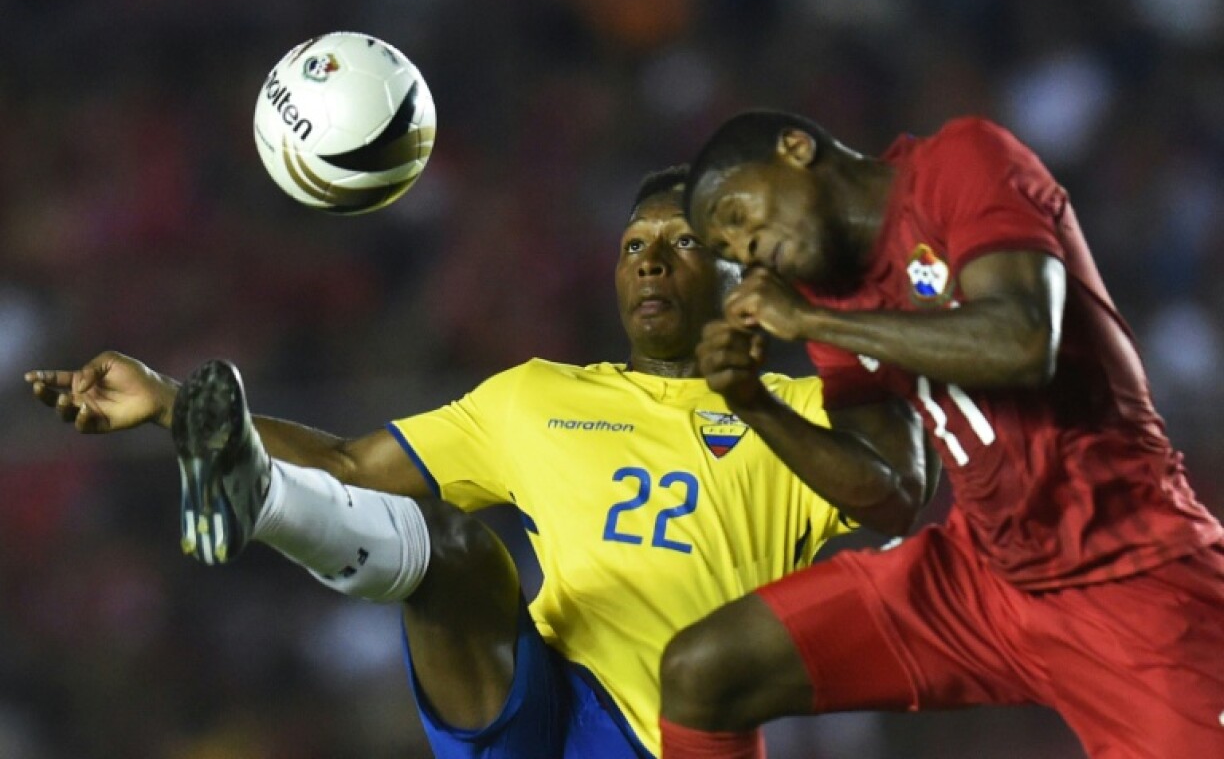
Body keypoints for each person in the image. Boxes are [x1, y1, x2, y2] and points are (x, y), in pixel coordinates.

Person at [26, 166, 924, 759]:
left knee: (450, 545)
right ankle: (254, 493)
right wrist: (170, 400)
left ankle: (257, 490)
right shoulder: (534, 395)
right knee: (451, 546)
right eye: (633, 246)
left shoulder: (800, 410)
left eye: (682, 242)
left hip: (677, 734)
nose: (650, 262)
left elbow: (897, 494)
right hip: (533, 704)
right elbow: (348, 463)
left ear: (741, 274)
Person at [655, 112, 1224, 759]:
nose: (745, 247)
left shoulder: (960, 162)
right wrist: (755, 404)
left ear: (795, 148)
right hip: (982, 579)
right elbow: (892, 493)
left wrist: (813, 321)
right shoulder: (826, 293)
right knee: (705, 671)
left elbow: (1022, 340)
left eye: (737, 215)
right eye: (730, 250)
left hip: (1129, 568)